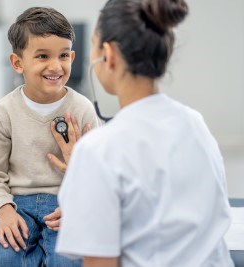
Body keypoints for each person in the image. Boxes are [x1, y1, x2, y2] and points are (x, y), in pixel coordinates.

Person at [49, 0, 234, 266]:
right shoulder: (196, 124)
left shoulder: (98, 151)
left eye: (92, 44)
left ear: (109, 55)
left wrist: (81, 182)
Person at [0, 6, 100, 267]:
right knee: (1, 257)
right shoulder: (4, 112)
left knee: (70, 260)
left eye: (63, 55)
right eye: (43, 56)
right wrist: (4, 210)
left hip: (66, 204)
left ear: (72, 56)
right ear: (17, 62)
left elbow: (98, 175)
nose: (55, 66)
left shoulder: (83, 110)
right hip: (17, 204)